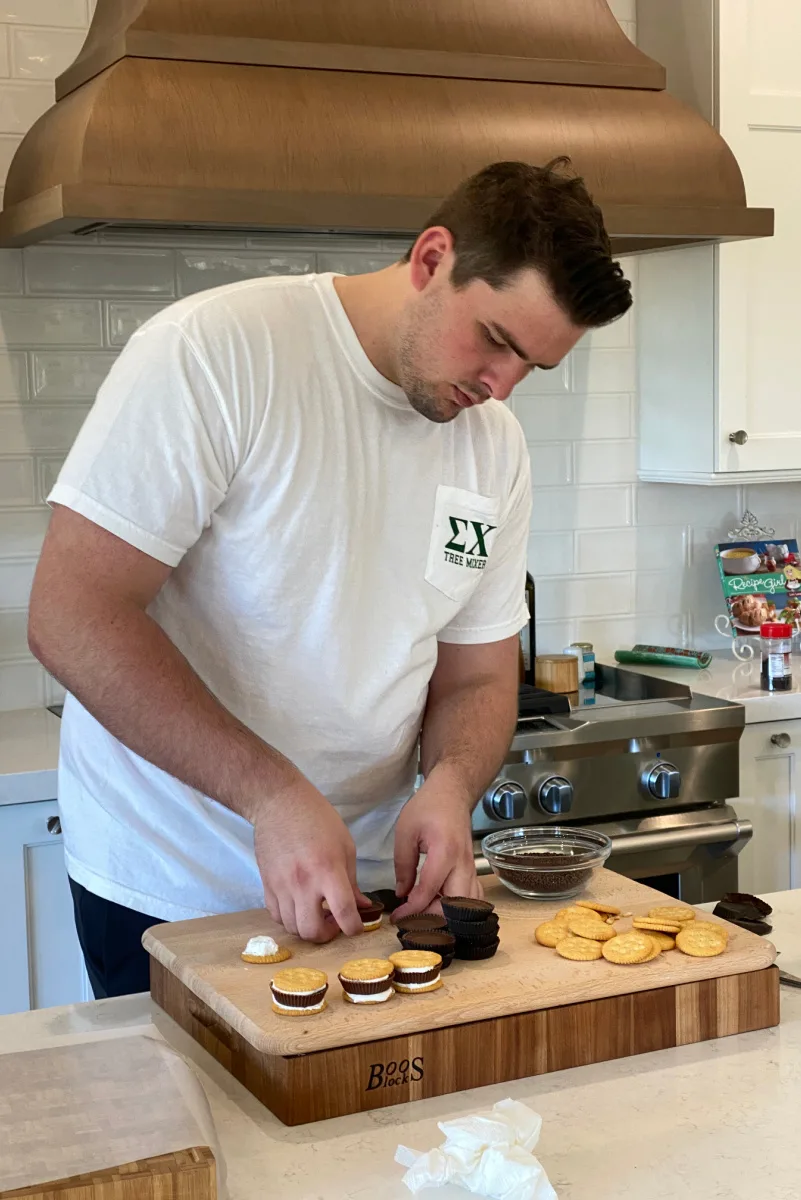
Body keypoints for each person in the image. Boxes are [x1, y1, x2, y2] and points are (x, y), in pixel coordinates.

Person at [28, 158, 632, 999]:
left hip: (370, 887)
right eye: (496, 340)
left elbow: (478, 672)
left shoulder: (492, 445)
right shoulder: (215, 353)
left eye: (534, 365)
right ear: (430, 259)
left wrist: (450, 784)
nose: (501, 387)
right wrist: (271, 795)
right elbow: (71, 613)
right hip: (174, 881)